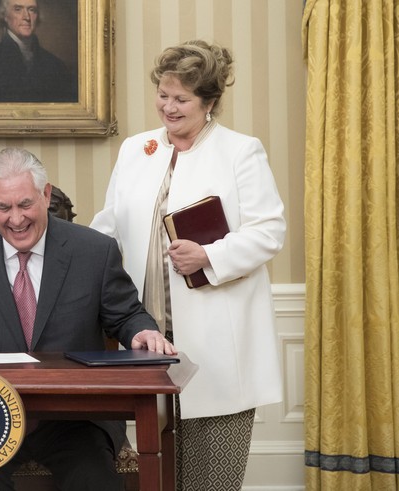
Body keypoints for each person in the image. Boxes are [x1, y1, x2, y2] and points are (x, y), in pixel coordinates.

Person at [0, 147, 175, 491]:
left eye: (25, 204)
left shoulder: (93, 250)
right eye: (3, 207)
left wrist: (142, 331)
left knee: (93, 479)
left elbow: (126, 314)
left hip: (75, 418)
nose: (16, 219)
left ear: (46, 194)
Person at [90, 40, 285, 490]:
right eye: (162, 94)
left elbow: (269, 230)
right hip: (148, 339)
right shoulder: (136, 150)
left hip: (218, 339)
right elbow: (109, 228)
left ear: (209, 102)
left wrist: (209, 255)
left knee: (210, 475)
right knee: (154, 469)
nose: (168, 107)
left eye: (181, 99)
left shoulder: (240, 151)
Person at [0, 0, 77, 102]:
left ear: (37, 16)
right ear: (5, 16)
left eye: (32, 10)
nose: (26, 17)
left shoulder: (56, 66)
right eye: (18, 9)